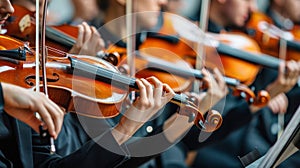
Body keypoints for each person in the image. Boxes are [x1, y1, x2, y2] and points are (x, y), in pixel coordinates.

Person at [191, 0, 300, 167]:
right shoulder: (194, 40)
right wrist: (265, 97)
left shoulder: (236, 40)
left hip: (242, 135)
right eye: (248, 0)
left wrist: (266, 95)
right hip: (219, 145)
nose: (253, 8)